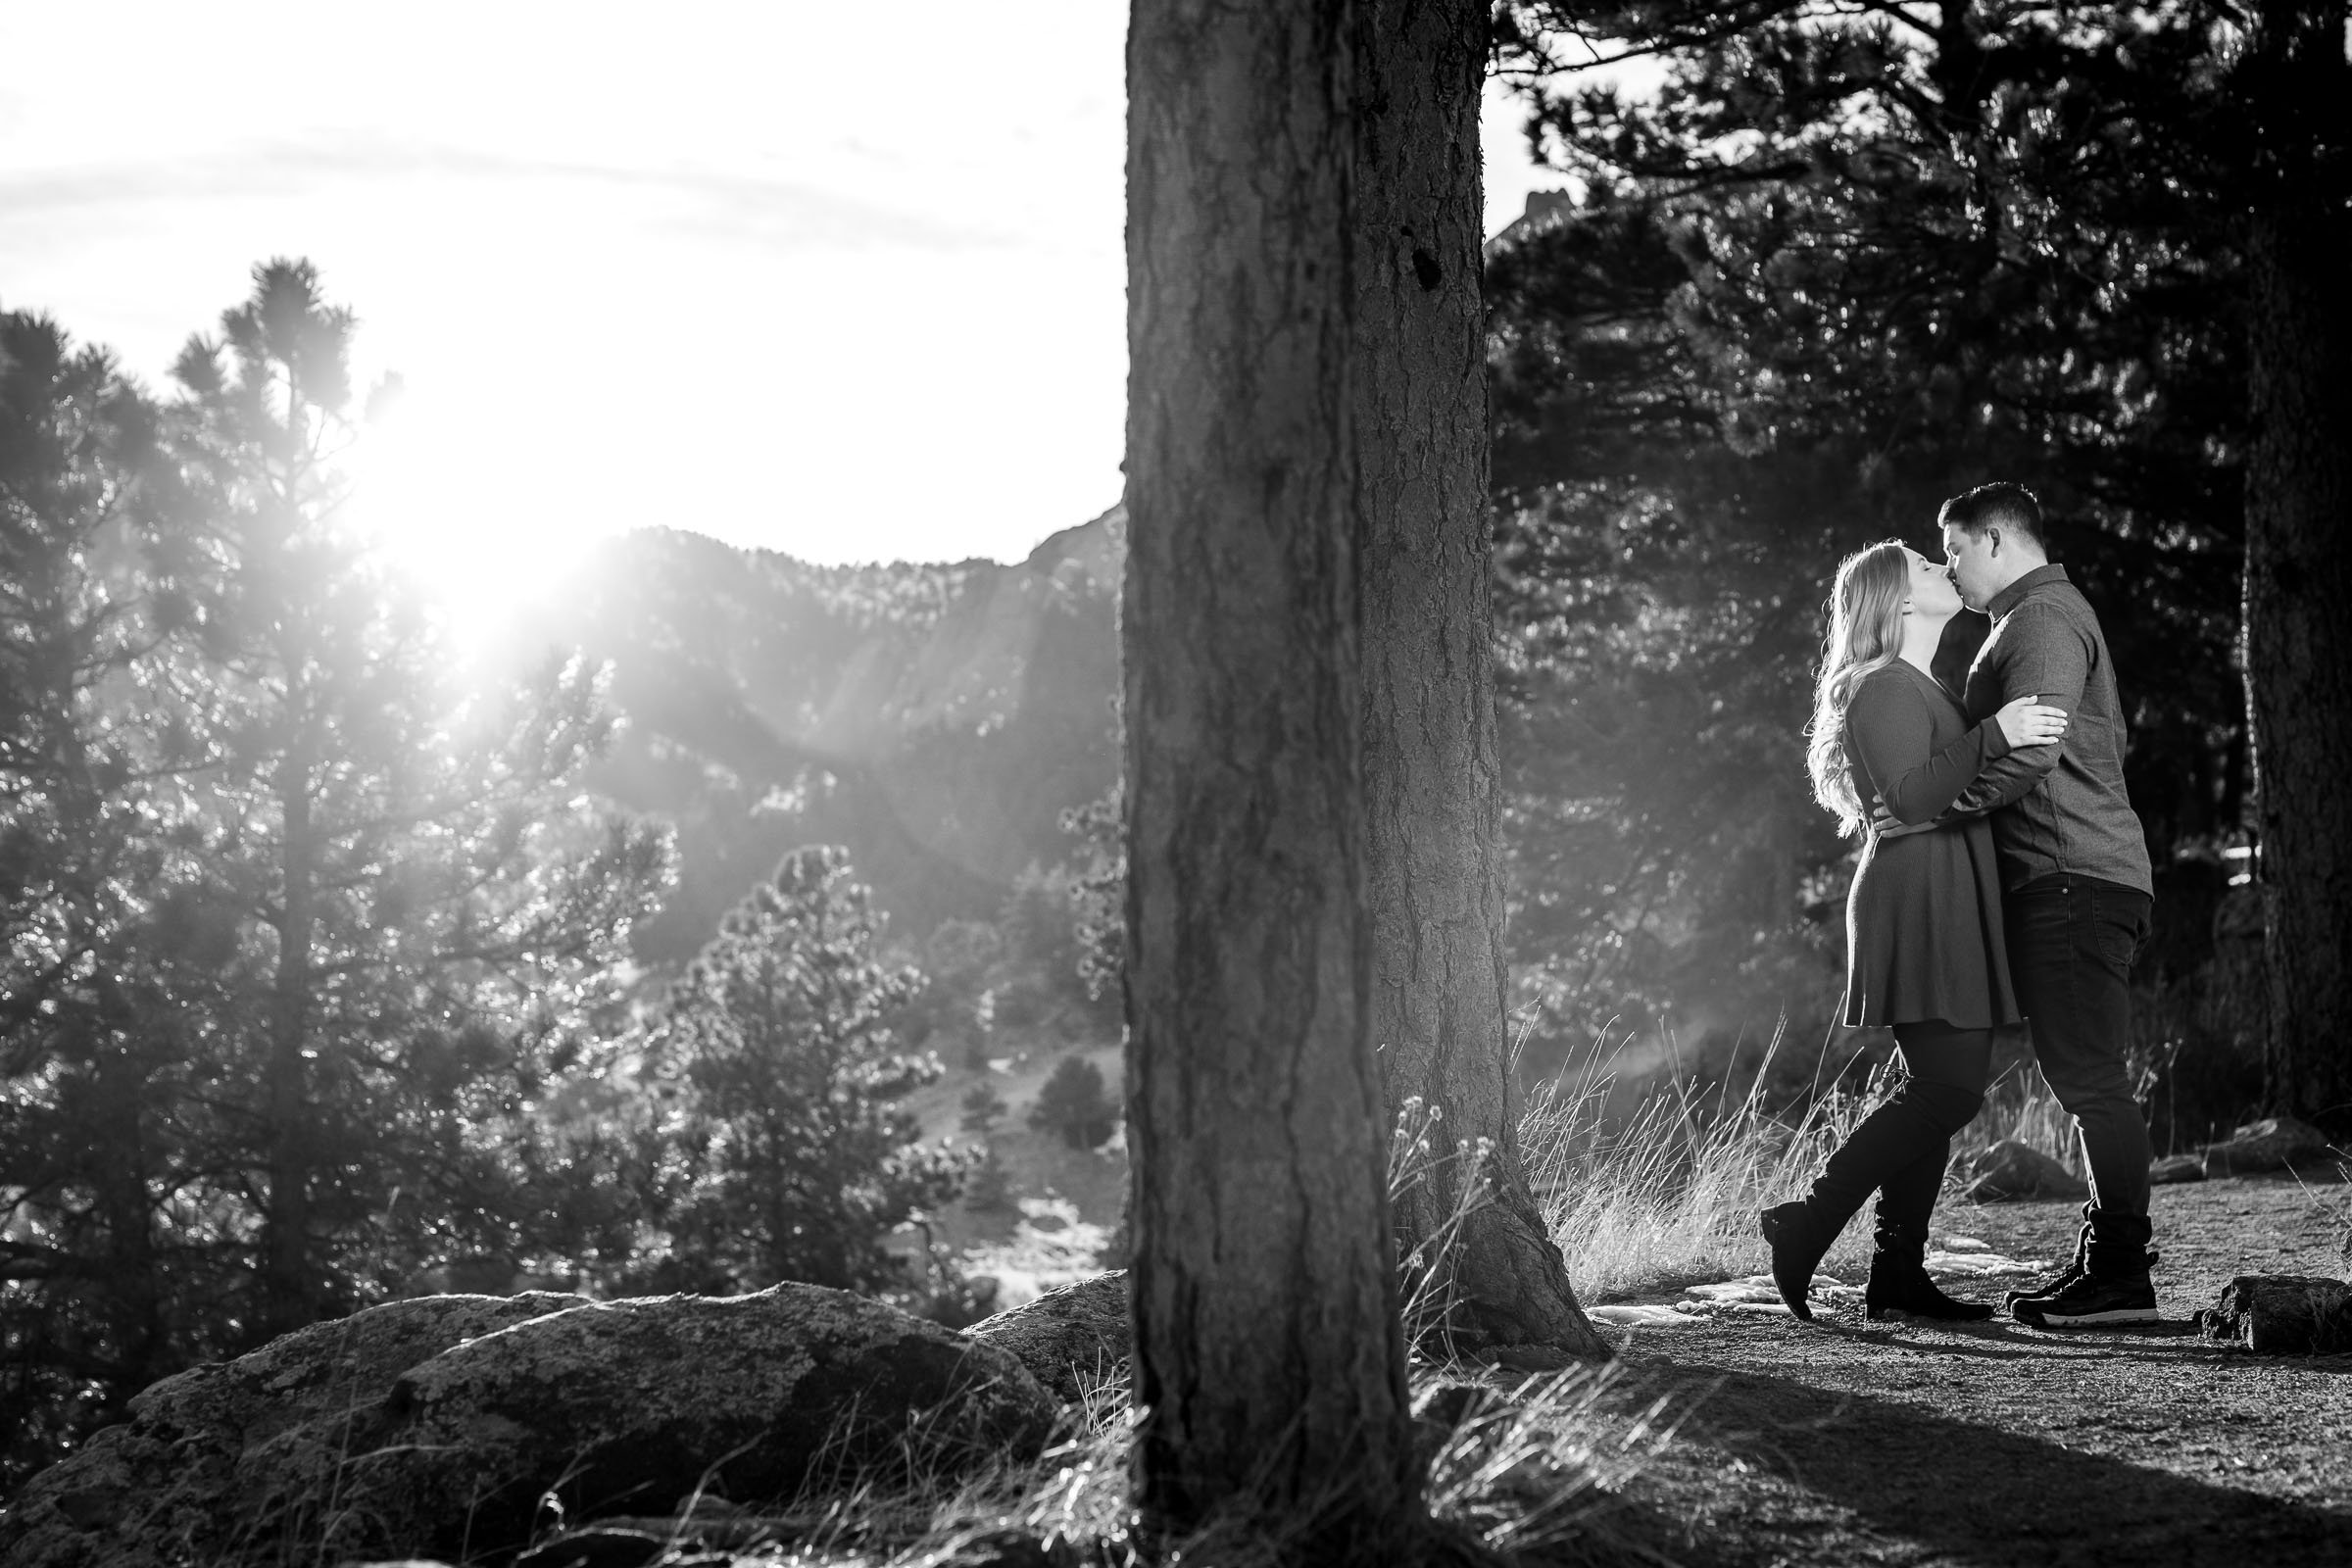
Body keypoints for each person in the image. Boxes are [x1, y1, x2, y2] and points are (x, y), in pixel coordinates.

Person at [1763, 540, 2069, 1322]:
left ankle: (1897, 1271)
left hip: (1940, 891)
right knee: (1949, 1088)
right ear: (1899, 602)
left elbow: (1926, 795)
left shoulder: (1915, 683)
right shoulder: (1882, 687)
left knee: (1934, 1085)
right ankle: (1809, 1220)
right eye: (1928, 568)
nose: (1945, 569)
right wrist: (1996, 732)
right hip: (1918, 898)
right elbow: (1918, 797)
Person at [1935, 481, 2161, 1329]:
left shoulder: (2038, 621)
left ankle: (2120, 1281)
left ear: (1997, 540)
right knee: (2085, 1076)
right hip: (2077, 875)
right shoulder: (2035, 619)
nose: (1951, 567)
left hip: (2072, 877)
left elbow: (2034, 751)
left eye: (1956, 549)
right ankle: (2108, 1266)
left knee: (2090, 1078)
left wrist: (1937, 808)